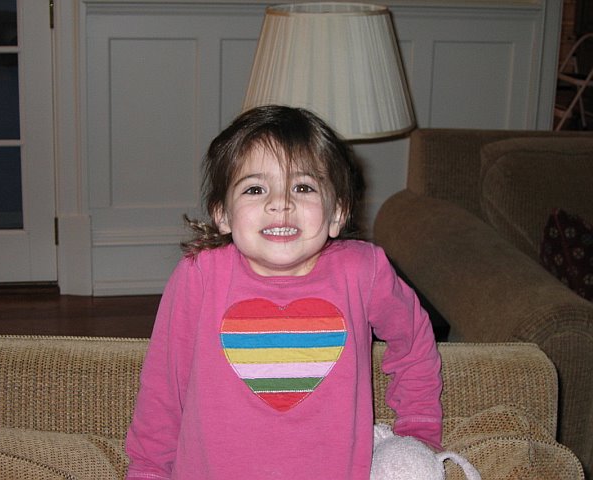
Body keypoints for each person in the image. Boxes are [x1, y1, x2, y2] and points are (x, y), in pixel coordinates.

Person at [125, 105, 443, 480]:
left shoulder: (364, 271)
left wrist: (418, 427)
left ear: (337, 212)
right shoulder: (200, 275)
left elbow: (413, 338)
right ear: (222, 214)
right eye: (255, 189)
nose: (280, 203)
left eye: (303, 187)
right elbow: (163, 387)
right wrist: (148, 469)